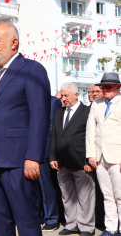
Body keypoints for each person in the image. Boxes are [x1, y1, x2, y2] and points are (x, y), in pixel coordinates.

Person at [0, 22, 51, 236]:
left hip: (19, 161)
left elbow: (40, 116)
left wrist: (33, 157)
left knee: (26, 221)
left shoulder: (32, 69)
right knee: (0, 222)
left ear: (14, 43)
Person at [50, 82, 95, 236]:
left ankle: (86, 227)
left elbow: (91, 138)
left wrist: (88, 161)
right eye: (62, 95)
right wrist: (53, 156)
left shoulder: (87, 111)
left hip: (81, 163)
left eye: (66, 95)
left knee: (85, 197)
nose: (63, 98)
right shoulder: (59, 113)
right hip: (62, 163)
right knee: (67, 196)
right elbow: (55, 136)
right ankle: (71, 224)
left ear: (76, 95)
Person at [86, 72, 121, 236]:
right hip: (100, 157)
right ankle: (111, 228)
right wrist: (91, 154)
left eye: (109, 86)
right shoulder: (97, 103)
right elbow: (90, 130)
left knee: (120, 196)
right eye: (103, 86)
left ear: (118, 87)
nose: (105, 89)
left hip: (117, 157)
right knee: (107, 196)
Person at [38, 95, 62, 232]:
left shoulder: (53, 102)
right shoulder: (26, 100)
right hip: (29, 152)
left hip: (45, 152)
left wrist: (52, 153)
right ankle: (38, 216)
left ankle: (51, 219)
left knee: (47, 187)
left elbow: (53, 129)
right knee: (34, 188)